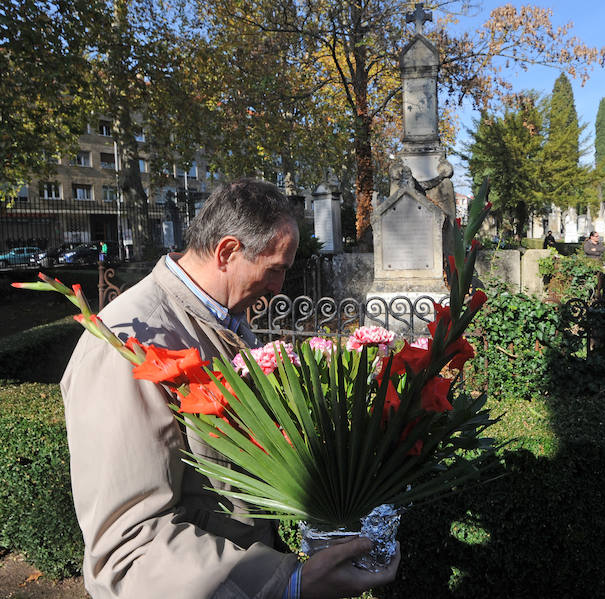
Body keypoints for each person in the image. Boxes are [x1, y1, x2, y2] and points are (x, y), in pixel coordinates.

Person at [60, 179, 398, 599]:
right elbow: (129, 551)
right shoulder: (127, 345)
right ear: (227, 252)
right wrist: (289, 584)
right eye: (275, 269)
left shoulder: (224, 321)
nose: (278, 288)